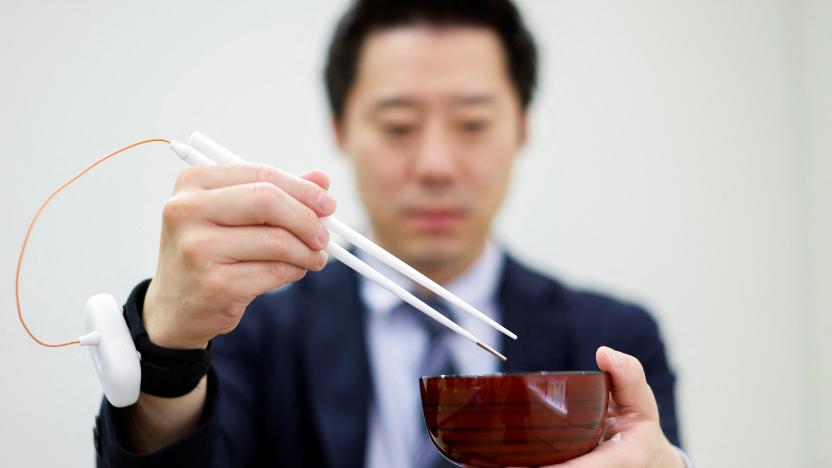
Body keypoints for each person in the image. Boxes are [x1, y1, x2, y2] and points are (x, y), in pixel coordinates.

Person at [94, 1, 690, 467]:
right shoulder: (255, 334)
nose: (435, 164)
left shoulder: (610, 341)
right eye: (398, 125)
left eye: (473, 123)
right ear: (341, 127)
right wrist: (172, 347)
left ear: (522, 127)